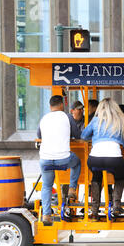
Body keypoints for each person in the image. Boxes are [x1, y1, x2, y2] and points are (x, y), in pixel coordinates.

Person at [81, 98, 124, 221]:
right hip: (114, 158)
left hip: (95, 158)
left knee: (96, 177)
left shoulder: (95, 120)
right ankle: (116, 206)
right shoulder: (121, 119)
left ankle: (94, 212)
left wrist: (95, 137)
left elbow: (83, 136)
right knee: (120, 178)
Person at [37, 95, 81, 226]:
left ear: (50, 106)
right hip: (63, 159)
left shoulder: (44, 118)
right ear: (62, 105)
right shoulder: (67, 117)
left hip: (45, 159)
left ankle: (46, 215)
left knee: (47, 186)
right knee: (77, 162)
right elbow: (78, 135)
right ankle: (72, 189)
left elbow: (39, 135)